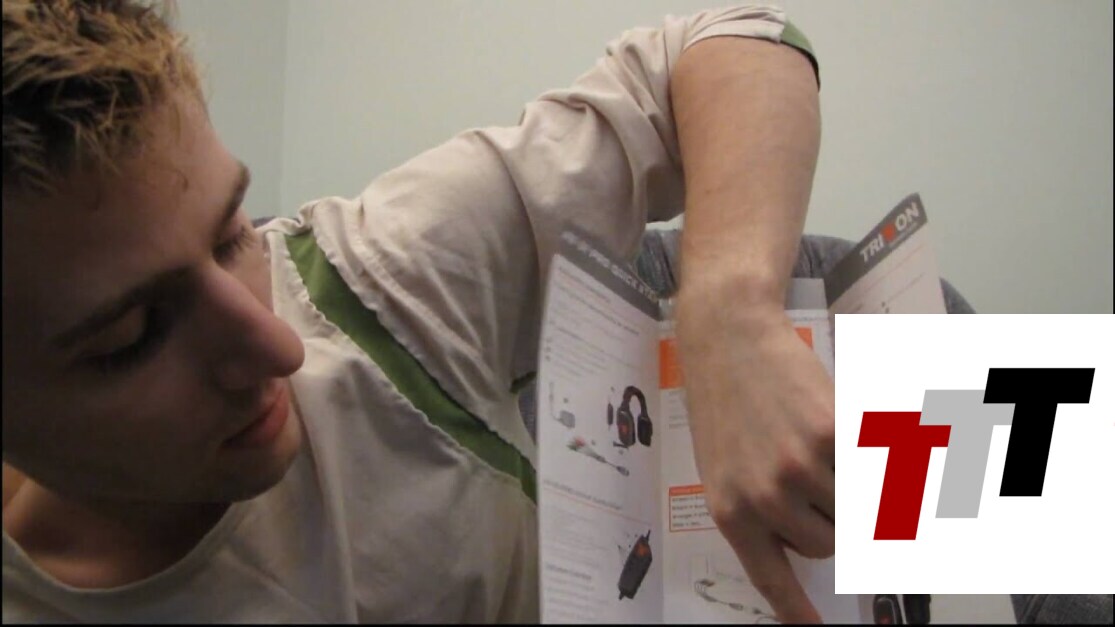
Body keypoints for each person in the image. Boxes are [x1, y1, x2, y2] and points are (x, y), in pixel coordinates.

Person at [2, 0, 833, 622]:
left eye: (230, 235)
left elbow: (739, 38)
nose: (279, 347)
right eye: (132, 336)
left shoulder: (367, 283)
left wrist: (730, 314)